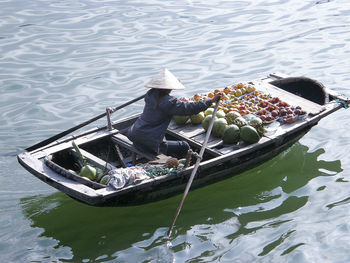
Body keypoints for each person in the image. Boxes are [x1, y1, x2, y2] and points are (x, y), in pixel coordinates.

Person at [126, 68, 222, 158]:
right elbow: (189, 108)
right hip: (149, 141)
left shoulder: (150, 94)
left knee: (167, 141)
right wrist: (211, 100)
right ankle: (184, 166)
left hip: (135, 134)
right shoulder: (169, 102)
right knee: (184, 146)